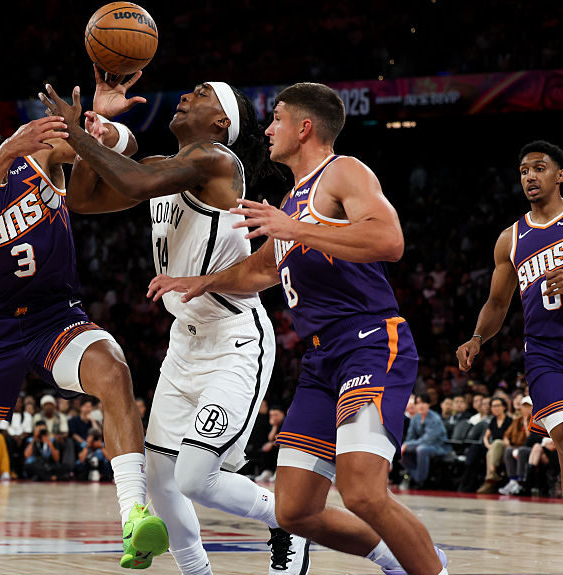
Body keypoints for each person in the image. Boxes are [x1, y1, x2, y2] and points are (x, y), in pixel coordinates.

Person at [146, 82, 447, 575]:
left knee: (363, 491)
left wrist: (300, 228)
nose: (267, 129)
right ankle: (398, 556)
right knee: (294, 510)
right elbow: (260, 270)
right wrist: (200, 281)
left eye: (277, 119)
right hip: (320, 363)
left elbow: (389, 238)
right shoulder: (290, 201)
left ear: (304, 127)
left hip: (371, 346)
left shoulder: (342, 172)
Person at [41, 71, 310, 575]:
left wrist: (74, 131)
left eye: (203, 94)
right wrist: (92, 133)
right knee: (160, 481)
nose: (188, 94)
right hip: (184, 345)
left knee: (193, 477)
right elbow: (84, 199)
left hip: (234, 340)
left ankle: (286, 520)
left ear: (221, 121)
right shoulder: (165, 167)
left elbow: (135, 182)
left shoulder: (216, 161)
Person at [0, 92, 166, 575]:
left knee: (113, 370)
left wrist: (101, 126)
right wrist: (7, 151)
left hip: (55, 316)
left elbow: (124, 150)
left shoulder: (39, 153)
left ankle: (134, 515)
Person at [457, 140, 563, 575]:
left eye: (538, 168)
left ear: (559, 175)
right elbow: (497, 305)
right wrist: (477, 337)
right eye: (523, 170)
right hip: (547, 355)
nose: (529, 176)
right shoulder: (510, 239)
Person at [400, 394, 451, 489]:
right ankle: (417, 477)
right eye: (418, 403)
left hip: (438, 446)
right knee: (400, 451)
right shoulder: (416, 418)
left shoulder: (434, 418)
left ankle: (421, 481)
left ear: (428, 404)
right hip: (419, 445)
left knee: (421, 449)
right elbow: (410, 437)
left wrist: (407, 444)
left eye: (424, 402)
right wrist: (405, 445)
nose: (421, 405)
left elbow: (429, 439)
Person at [476, 396, 512, 494]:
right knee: (490, 450)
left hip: (505, 447)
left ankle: (491, 473)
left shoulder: (509, 420)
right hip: (494, 450)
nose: (495, 408)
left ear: (504, 407)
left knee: (497, 442)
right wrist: (488, 445)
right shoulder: (493, 421)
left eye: (497, 406)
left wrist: (494, 446)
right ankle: (491, 477)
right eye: (493, 406)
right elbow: (485, 437)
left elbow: (507, 438)